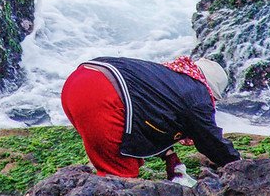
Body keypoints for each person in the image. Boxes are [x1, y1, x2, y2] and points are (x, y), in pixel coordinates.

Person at [61, 55, 240, 182]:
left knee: (128, 154)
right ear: (210, 90)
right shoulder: (197, 95)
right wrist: (240, 166)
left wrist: (170, 157)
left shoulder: (170, 75)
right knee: (120, 177)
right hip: (101, 94)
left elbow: (150, 117)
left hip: (77, 82)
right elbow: (210, 140)